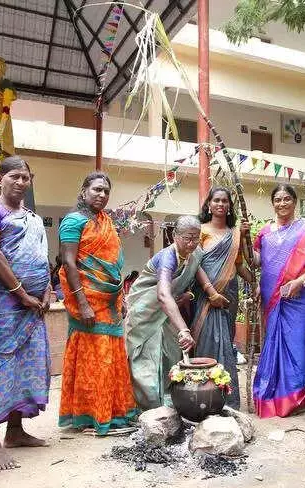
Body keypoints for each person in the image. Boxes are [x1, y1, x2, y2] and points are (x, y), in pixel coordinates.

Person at [0, 156, 51, 471]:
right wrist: (20, 293)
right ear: (0, 178)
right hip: (7, 302)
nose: (21, 182)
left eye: (26, 177)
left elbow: (44, 257)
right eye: (15, 177)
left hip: (35, 305)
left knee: (29, 364)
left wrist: (45, 293)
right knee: (3, 364)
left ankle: (16, 431)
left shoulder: (32, 216)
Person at [58, 172, 138, 435]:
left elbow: (115, 264)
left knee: (112, 354)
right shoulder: (73, 221)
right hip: (87, 299)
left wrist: (120, 297)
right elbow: (69, 262)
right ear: (83, 191)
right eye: (96, 190)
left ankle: (114, 412)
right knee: (94, 356)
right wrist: (82, 303)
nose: (102, 195)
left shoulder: (106, 222)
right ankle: (91, 415)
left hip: (111, 300)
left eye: (106, 191)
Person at [127, 216, 227, 409]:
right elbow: (163, 294)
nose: (191, 243)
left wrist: (210, 291)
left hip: (168, 313)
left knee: (172, 355)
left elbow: (196, 267)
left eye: (195, 238)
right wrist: (184, 330)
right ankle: (149, 409)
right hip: (145, 313)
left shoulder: (194, 252)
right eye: (186, 238)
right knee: (147, 362)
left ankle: (169, 402)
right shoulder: (167, 257)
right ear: (174, 236)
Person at [251, 184, 305, 418]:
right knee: (272, 343)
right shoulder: (264, 232)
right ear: (273, 203)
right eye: (278, 199)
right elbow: (256, 261)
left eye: (286, 199)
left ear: (295, 202)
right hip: (271, 296)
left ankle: (295, 397)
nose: (282, 203)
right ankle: (272, 394)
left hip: (300, 296)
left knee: (296, 344)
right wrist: (243, 239)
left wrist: (299, 282)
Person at [190, 187, 255, 409]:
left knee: (225, 341)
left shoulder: (235, 234)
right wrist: (210, 292)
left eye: (225, 201)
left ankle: (225, 399)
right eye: (216, 200)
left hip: (229, 295)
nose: (220, 204)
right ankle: (202, 397)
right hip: (205, 294)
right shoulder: (199, 231)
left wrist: (256, 284)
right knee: (206, 339)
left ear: (229, 206)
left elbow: (242, 265)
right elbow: (194, 264)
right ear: (209, 204)